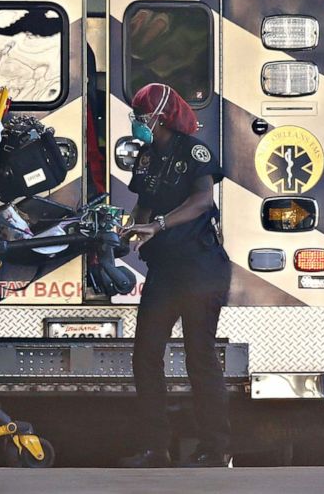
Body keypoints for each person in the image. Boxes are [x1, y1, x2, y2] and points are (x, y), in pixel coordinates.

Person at [118, 83, 232, 468]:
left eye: (141, 115)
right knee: (145, 354)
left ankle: (215, 449)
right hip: (165, 270)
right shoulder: (147, 156)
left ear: (161, 117)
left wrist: (160, 225)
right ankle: (156, 448)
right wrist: (131, 228)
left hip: (201, 268)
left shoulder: (194, 152)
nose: (137, 121)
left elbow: (203, 201)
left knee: (199, 356)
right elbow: (143, 204)